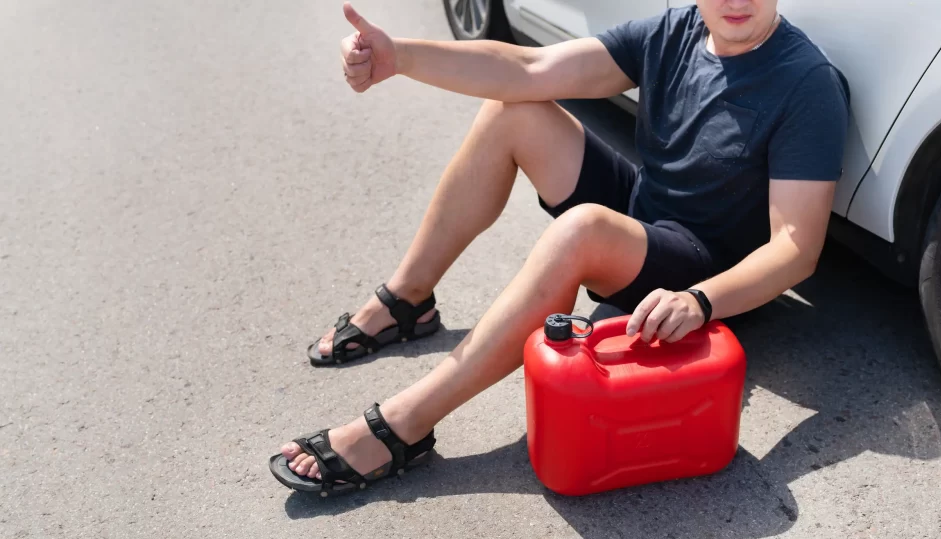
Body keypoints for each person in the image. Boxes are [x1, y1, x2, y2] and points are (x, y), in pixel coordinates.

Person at [269, 0, 850, 494]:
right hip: (644, 216)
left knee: (583, 229)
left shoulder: (804, 81)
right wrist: (401, 57)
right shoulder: (676, 31)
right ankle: (407, 300)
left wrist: (699, 301)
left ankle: (404, 423)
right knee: (511, 111)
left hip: (706, 274)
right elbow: (529, 67)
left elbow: (795, 248)